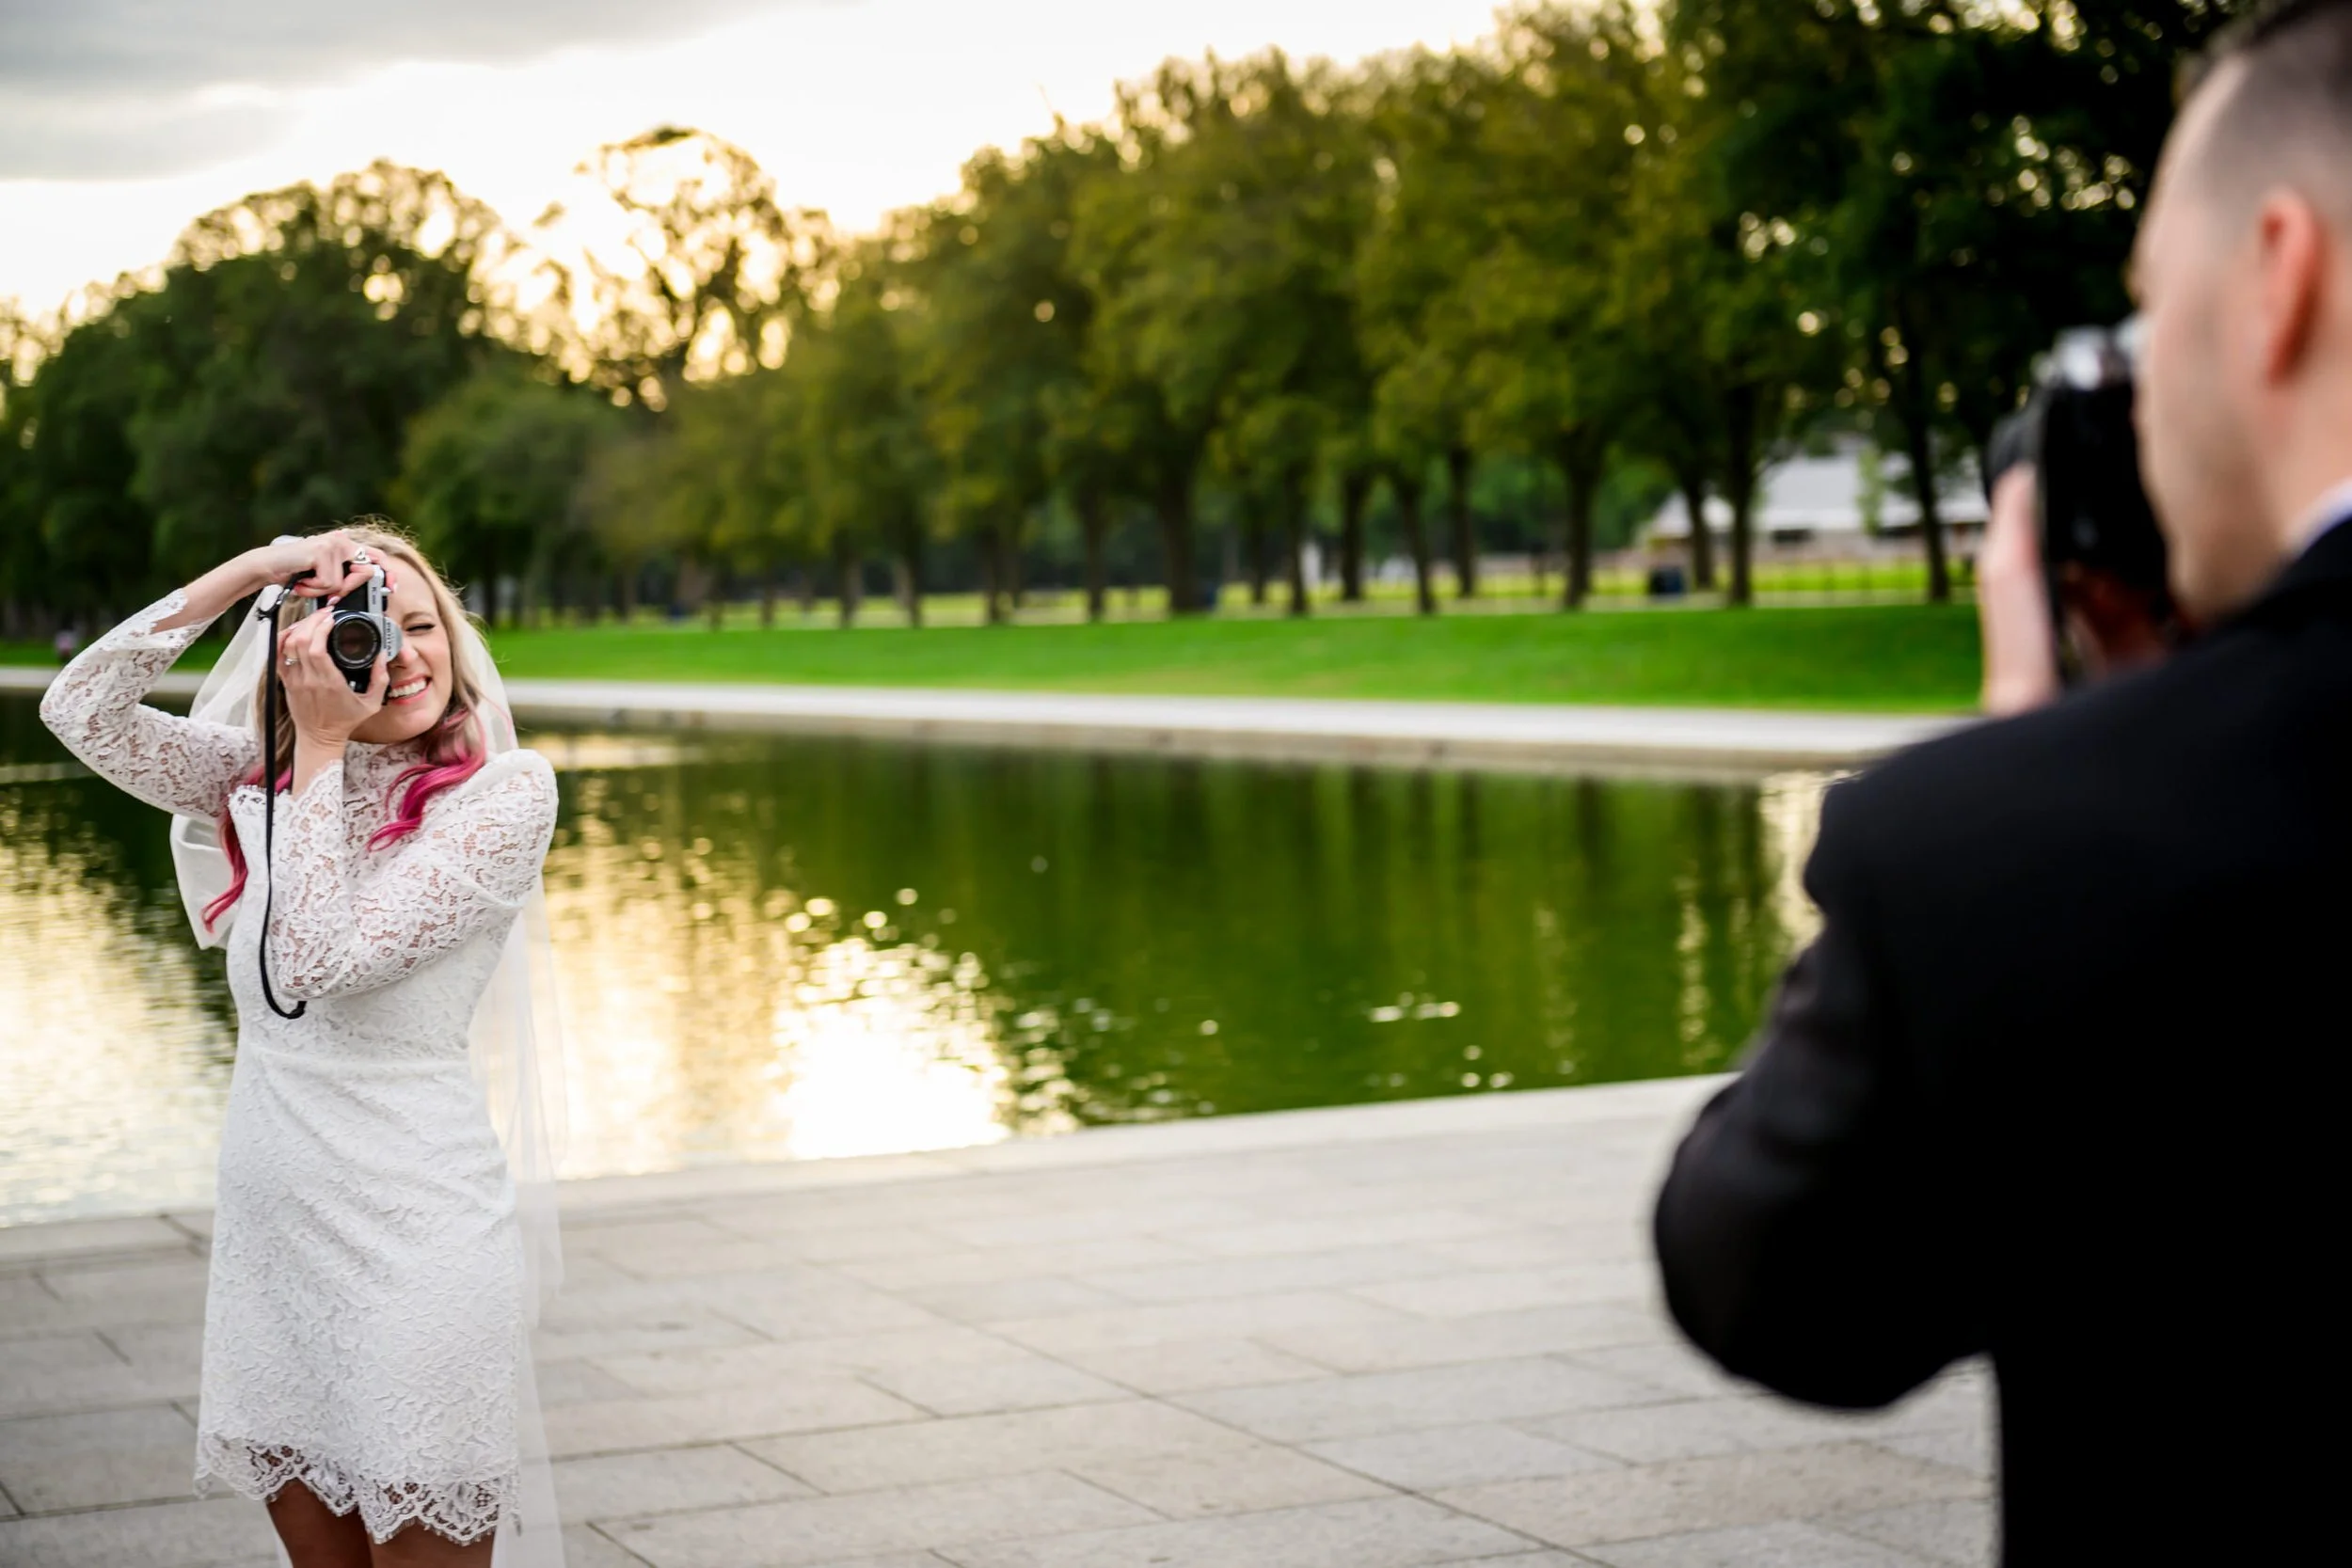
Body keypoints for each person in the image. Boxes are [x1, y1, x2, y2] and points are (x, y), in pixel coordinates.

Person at [1652, 2, 2352, 1561]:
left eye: (2152, 305)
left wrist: (2038, 749)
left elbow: (1772, 1277)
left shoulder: (2041, 844)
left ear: (2280, 279)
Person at [41, 522, 566, 1568]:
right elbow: (79, 708)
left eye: (421, 623)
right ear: (301, 655)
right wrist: (255, 570)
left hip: (417, 1232)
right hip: (274, 1235)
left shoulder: (504, 796)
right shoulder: (256, 776)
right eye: (366, 629)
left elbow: (324, 958)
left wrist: (320, 748)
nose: (402, 651)